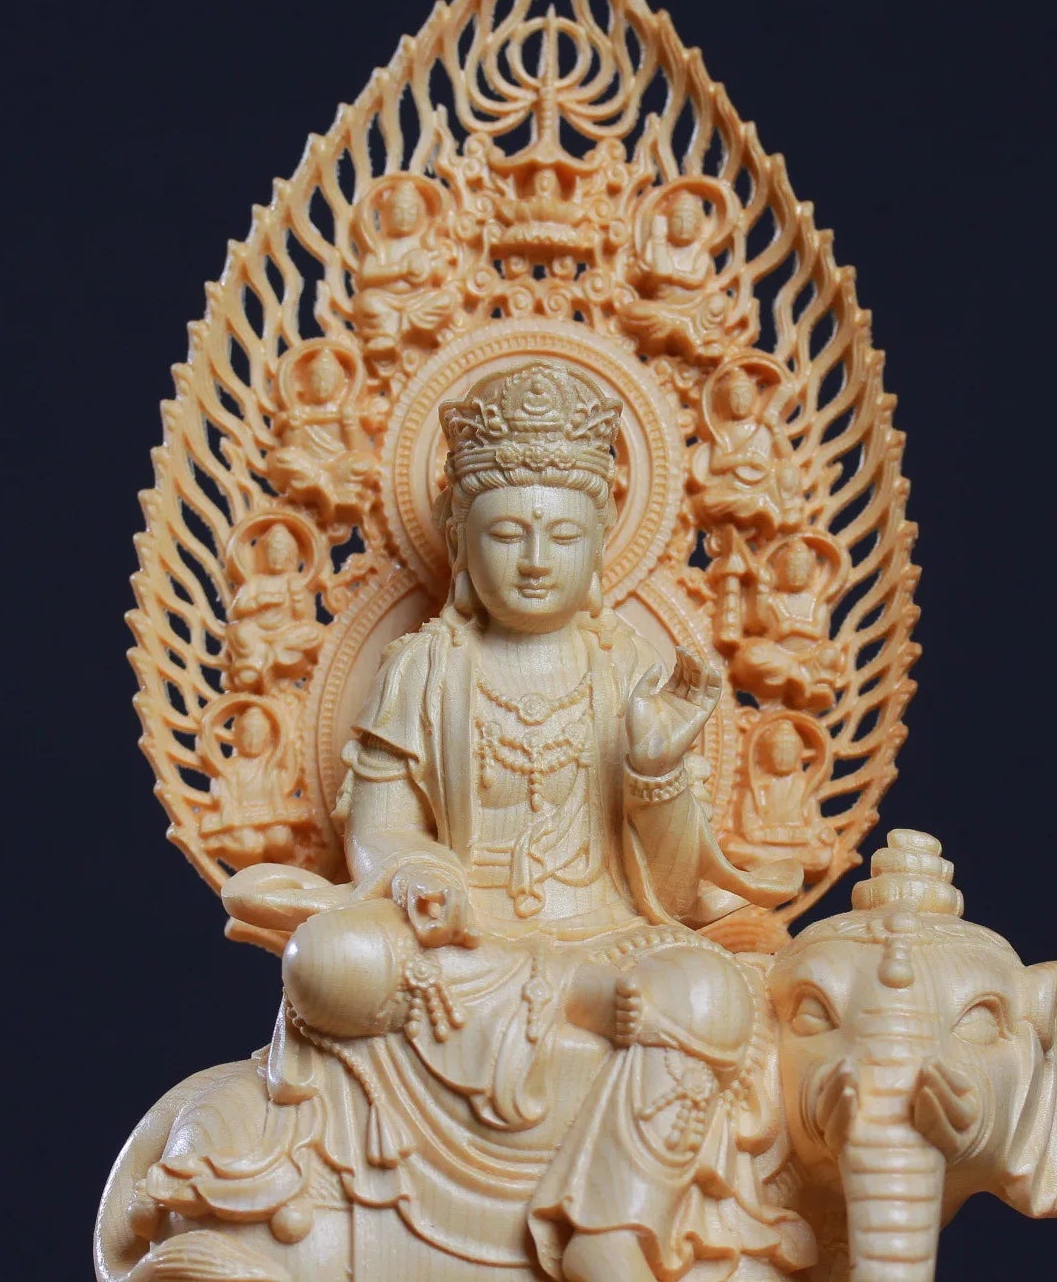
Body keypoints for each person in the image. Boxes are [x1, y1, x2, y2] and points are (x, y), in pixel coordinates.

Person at [273, 362, 809, 1281]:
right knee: (328, 961)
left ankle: (610, 1229)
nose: (532, 560)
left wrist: (654, 772)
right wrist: (418, 873)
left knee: (709, 993)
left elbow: (673, 889)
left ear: (601, 543)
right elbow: (380, 828)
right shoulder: (424, 666)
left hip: (607, 937)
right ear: (459, 538)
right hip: (466, 954)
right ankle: (575, 1013)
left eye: (561, 535)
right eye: (505, 533)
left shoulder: (626, 668)